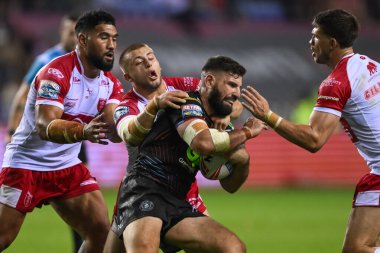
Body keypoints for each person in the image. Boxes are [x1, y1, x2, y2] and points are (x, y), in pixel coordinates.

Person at [241, 9, 380, 253]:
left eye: (316, 36)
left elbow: (314, 139)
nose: (310, 42)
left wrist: (268, 116)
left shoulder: (336, 82)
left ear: (332, 43)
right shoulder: (371, 65)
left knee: (358, 249)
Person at [110, 55, 266, 252]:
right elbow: (202, 143)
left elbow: (230, 186)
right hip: (144, 191)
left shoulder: (220, 124)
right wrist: (247, 132)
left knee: (233, 247)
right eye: (231, 85)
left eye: (238, 87)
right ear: (209, 81)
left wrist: (243, 162)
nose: (236, 94)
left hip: (178, 200)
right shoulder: (186, 101)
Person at [0, 10, 123, 253]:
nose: (111, 46)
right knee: (3, 238)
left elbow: (113, 127)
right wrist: (85, 131)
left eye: (114, 38)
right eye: (103, 37)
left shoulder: (110, 83)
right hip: (26, 165)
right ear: (83, 40)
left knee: (100, 234)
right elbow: (46, 126)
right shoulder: (55, 72)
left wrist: (146, 115)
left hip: (66, 167)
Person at [4, 13, 84, 252]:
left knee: (89, 218)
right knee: (6, 231)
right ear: (62, 32)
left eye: (77, 33)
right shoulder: (47, 59)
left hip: (72, 142)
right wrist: (11, 129)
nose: (73, 37)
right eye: (69, 32)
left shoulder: (85, 63)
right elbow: (23, 93)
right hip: (39, 147)